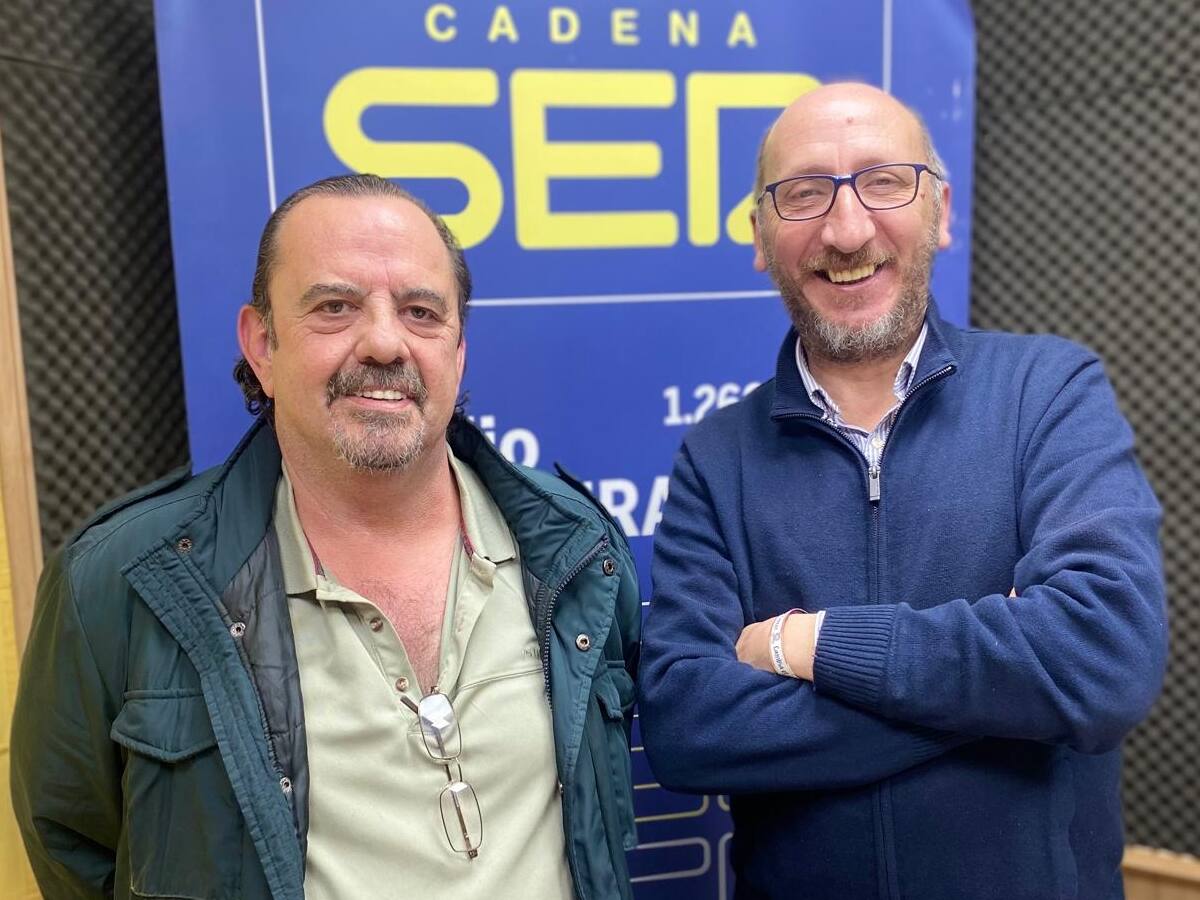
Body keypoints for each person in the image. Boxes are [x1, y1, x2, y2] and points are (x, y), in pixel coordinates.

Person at [11, 174, 641, 900]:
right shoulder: (118, 582)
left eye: (421, 312)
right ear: (262, 344)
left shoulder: (576, 548)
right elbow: (73, 847)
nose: (384, 342)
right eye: (335, 307)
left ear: (459, 349)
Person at [637, 82, 1167, 900]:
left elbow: (1104, 657)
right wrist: (1006, 697)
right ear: (760, 235)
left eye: (885, 182)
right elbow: (686, 727)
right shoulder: (718, 458)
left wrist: (806, 646)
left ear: (941, 212)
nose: (847, 230)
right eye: (804, 193)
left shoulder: (1048, 393)